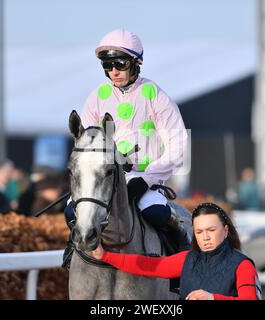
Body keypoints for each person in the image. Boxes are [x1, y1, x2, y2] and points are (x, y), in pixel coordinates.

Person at [62, 29, 189, 268]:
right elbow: (87, 146)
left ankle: (182, 260)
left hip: (143, 179)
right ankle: (75, 248)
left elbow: (178, 147)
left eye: (119, 64)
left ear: (136, 63)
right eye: (107, 66)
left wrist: (147, 179)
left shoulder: (155, 96)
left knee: (157, 215)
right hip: (105, 179)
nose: (114, 72)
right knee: (71, 212)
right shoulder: (96, 97)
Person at [90, 203, 261, 300]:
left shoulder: (242, 265)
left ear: (225, 231)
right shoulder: (187, 259)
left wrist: (212, 298)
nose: (205, 237)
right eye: (199, 232)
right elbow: (148, 266)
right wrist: (105, 256)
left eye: (211, 230)